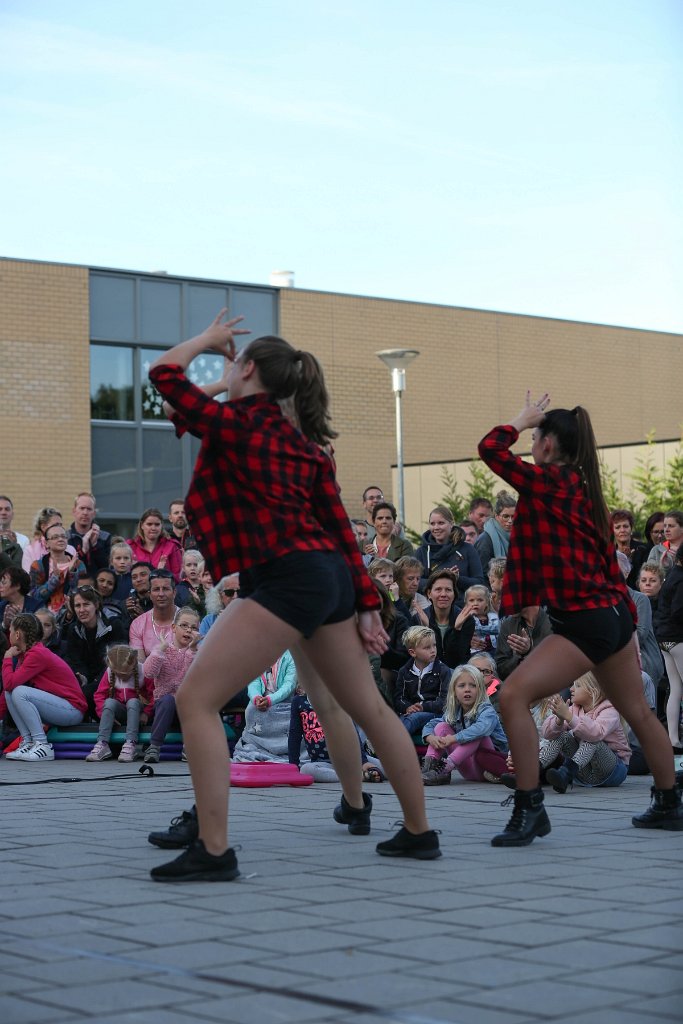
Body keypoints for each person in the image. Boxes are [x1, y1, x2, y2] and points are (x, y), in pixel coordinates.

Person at [146, 309, 439, 880]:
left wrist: (207, 341)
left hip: (288, 578)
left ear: (250, 369)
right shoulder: (303, 446)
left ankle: (213, 850)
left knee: (196, 699)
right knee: (369, 708)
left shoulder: (240, 425)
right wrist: (366, 604)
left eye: (236, 366)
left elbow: (163, 377)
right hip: (326, 577)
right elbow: (338, 533)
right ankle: (419, 833)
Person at [478, 392, 681, 845]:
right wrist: (627, 625)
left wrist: (518, 418)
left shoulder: (548, 483)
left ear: (548, 445)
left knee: (510, 696)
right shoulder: (587, 491)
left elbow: (489, 449)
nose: (529, 443)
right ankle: (670, 803)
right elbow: (607, 565)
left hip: (586, 621)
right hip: (611, 617)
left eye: (534, 436)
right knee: (640, 715)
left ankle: (530, 809)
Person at [3, 613, 87, 761]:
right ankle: (28, 742)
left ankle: (42, 744)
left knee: (19, 691)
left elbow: (10, 683)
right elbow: (9, 686)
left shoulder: (37, 654)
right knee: (11, 693)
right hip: (59, 707)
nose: (9, 634)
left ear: (17, 634)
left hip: (73, 709)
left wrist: (7, 658)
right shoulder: (28, 653)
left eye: (10, 631)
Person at [539, 673, 631, 792]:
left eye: (577, 685)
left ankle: (566, 773)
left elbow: (596, 733)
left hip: (612, 772)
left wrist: (569, 716)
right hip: (584, 773)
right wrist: (559, 720)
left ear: (593, 690)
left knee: (591, 738)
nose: (571, 689)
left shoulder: (610, 710)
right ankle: (531, 774)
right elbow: (547, 735)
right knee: (563, 735)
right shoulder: (574, 709)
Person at [421, 664, 508, 784]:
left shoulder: (487, 710)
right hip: (467, 768)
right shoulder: (454, 710)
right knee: (441, 726)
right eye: (462, 686)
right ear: (454, 691)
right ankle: (430, 767)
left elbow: (480, 729)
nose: (467, 689)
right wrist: (430, 737)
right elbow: (432, 724)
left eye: (473, 685)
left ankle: (446, 767)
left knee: (477, 733)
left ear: (481, 689)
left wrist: (454, 738)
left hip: (488, 766)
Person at [142, 606, 200, 763]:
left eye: (193, 628)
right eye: (184, 625)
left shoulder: (197, 653)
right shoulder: (163, 649)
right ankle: (154, 746)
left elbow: (192, 679)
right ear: (174, 627)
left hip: (186, 709)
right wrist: (160, 650)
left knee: (193, 702)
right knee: (168, 700)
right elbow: (148, 673)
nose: (188, 631)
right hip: (164, 707)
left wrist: (191, 651)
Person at [63, 585, 127, 717]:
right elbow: (75, 661)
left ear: (96, 605)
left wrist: (95, 683)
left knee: (86, 694)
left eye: (86, 604)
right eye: (77, 606)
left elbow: (117, 661)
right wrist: (82, 677)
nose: (81, 610)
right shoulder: (73, 629)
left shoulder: (114, 625)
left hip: (113, 679)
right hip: (88, 681)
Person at [87, 644, 154, 762]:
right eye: (117, 674)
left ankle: (130, 743)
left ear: (133, 664)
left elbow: (153, 695)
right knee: (109, 702)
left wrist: (147, 713)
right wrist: (104, 714)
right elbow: (99, 695)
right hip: (120, 714)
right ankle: (102, 743)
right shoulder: (109, 672)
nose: (121, 677)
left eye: (124, 674)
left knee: (133, 702)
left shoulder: (143, 671)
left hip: (137, 714)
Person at [232, 650, 298, 763]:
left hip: (285, 701)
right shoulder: (258, 657)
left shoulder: (291, 657)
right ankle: (254, 745)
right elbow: (253, 682)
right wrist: (256, 698)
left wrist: (270, 700)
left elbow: (289, 685)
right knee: (251, 709)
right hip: (262, 700)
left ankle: (283, 750)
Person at [393, 626, 451, 739]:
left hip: (436, 714)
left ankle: (393, 744)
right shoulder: (404, 671)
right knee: (398, 719)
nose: (433, 650)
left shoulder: (443, 671)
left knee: (414, 718)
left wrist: (423, 706)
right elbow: (399, 698)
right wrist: (408, 707)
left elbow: (445, 702)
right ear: (413, 652)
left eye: (434, 645)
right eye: (427, 647)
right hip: (411, 713)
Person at [652, 544, 683, 749]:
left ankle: (673, 740)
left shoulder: (672, 575)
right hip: (677, 637)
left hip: (664, 639)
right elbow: (678, 610)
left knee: (676, 688)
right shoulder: (681, 578)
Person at [415, 507, 485, 595]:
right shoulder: (421, 552)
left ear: (451, 524)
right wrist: (440, 579)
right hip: (431, 605)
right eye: (432, 524)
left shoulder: (468, 549)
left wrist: (457, 578)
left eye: (441, 523)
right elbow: (415, 582)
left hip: (463, 605)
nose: (436, 527)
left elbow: (479, 582)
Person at [420, 569, 476, 668]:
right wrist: (427, 629)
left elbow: (457, 658)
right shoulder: (419, 618)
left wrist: (457, 629)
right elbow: (425, 657)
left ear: (454, 594)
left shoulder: (466, 620)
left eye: (448, 590)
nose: (443, 594)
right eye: (438, 589)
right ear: (429, 594)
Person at [29, 522, 88, 613]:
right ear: (47, 543)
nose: (60, 539)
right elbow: (35, 597)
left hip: (72, 613)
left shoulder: (78, 564)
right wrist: (54, 579)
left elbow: (83, 594)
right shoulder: (37, 566)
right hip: (44, 615)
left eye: (63, 536)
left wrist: (72, 572)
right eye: (55, 537)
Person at [496, 605, 553, 681]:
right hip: (520, 686)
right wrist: (519, 655)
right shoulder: (508, 625)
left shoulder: (554, 621)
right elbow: (501, 670)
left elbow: (561, 664)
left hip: (553, 685)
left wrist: (529, 651)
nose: (505, 603)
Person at [129, 569, 177, 658]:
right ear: (150, 594)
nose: (161, 594)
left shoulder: (188, 620)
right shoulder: (137, 624)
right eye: (156, 589)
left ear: (174, 593)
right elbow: (140, 666)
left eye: (166, 589)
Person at [127, 508, 183, 582]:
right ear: (142, 525)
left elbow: (179, 578)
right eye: (149, 524)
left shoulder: (172, 546)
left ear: (161, 526)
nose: (153, 528)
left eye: (157, 524)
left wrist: (163, 573)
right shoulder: (130, 547)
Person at [67, 492, 111, 576]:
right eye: (82, 508)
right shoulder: (65, 538)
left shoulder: (105, 537)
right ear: (74, 511)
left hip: (97, 587)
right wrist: (83, 551)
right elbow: (67, 569)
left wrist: (95, 545)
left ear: (94, 513)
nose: (85, 513)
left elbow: (106, 568)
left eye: (89, 509)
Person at [22, 507, 77, 573]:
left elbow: (78, 576)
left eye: (60, 525)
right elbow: (28, 577)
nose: (59, 528)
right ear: (43, 527)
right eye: (55, 525)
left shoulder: (70, 549)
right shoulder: (30, 550)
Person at [474, 491, 516, 570]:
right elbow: (481, 574)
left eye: (513, 516)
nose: (510, 521)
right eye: (506, 516)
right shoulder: (485, 540)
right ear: (496, 516)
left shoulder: (518, 537)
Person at [611, 509, 649, 590]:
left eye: (625, 526)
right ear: (612, 531)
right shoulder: (610, 552)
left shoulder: (643, 549)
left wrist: (629, 561)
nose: (622, 530)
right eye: (617, 527)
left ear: (631, 528)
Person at [0, 566, 42, 638]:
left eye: (3, 583)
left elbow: (40, 633)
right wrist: (4, 624)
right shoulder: (1, 607)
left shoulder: (36, 606)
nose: (0, 586)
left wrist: (21, 620)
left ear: (17, 586)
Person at [464, 584, 500, 654]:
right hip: (475, 652)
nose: (475, 603)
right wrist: (470, 616)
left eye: (480, 600)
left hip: (495, 651)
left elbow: (498, 629)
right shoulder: (466, 619)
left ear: (487, 603)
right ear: (466, 604)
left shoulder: (494, 616)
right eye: (471, 600)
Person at [648, 510, 683, 578]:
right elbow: (649, 579)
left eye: (671, 526)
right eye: (665, 526)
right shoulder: (656, 550)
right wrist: (664, 567)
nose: (666, 530)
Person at [175, 549, 208, 617]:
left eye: (196, 565)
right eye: (189, 565)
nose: (192, 568)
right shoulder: (179, 589)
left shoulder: (208, 586)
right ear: (183, 567)